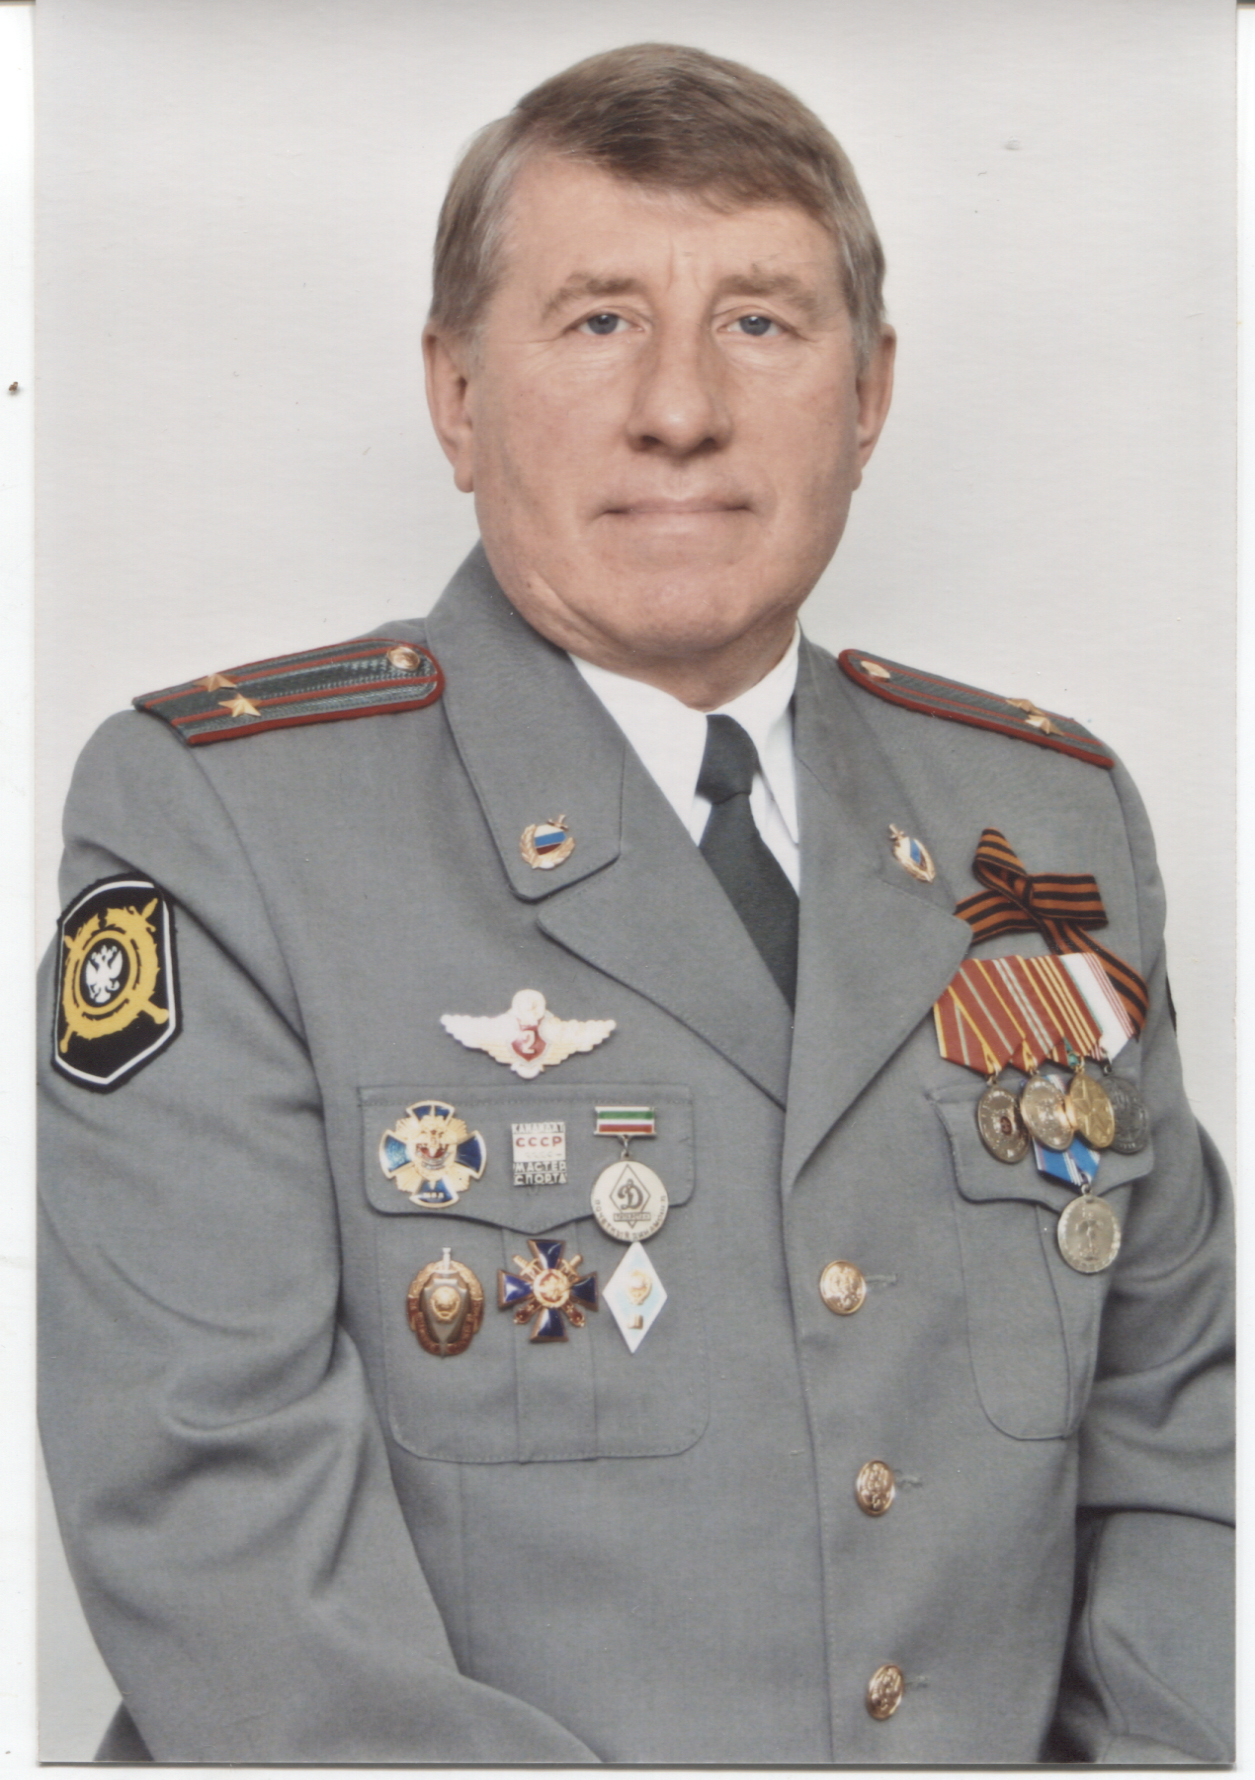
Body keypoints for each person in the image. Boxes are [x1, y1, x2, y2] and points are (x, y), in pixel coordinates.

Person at [37, 42, 1233, 1766]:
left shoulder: (1049, 824)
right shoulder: (228, 823)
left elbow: (1189, 1444)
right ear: (456, 393)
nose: (682, 407)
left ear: (870, 392)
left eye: (760, 319)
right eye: (599, 320)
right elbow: (221, 1548)